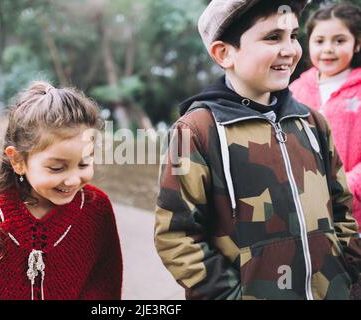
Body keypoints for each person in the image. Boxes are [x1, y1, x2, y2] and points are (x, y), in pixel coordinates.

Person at [154, 0, 361, 300]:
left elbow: (342, 208)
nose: (290, 49)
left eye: (292, 35)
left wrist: (345, 272)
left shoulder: (313, 123)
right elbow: (177, 236)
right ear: (224, 53)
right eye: (272, 37)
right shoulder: (195, 131)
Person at [0, 81, 123, 300]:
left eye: (84, 164)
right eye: (57, 168)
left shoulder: (97, 210)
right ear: (18, 160)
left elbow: (106, 284)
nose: (74, 179)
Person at [290, 3, 361, 230]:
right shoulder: (294, 90)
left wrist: (344, 187)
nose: (328, 49)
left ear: (357, 43)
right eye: (319, 41)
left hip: (354, 213)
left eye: (339, 41)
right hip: (305, 211)